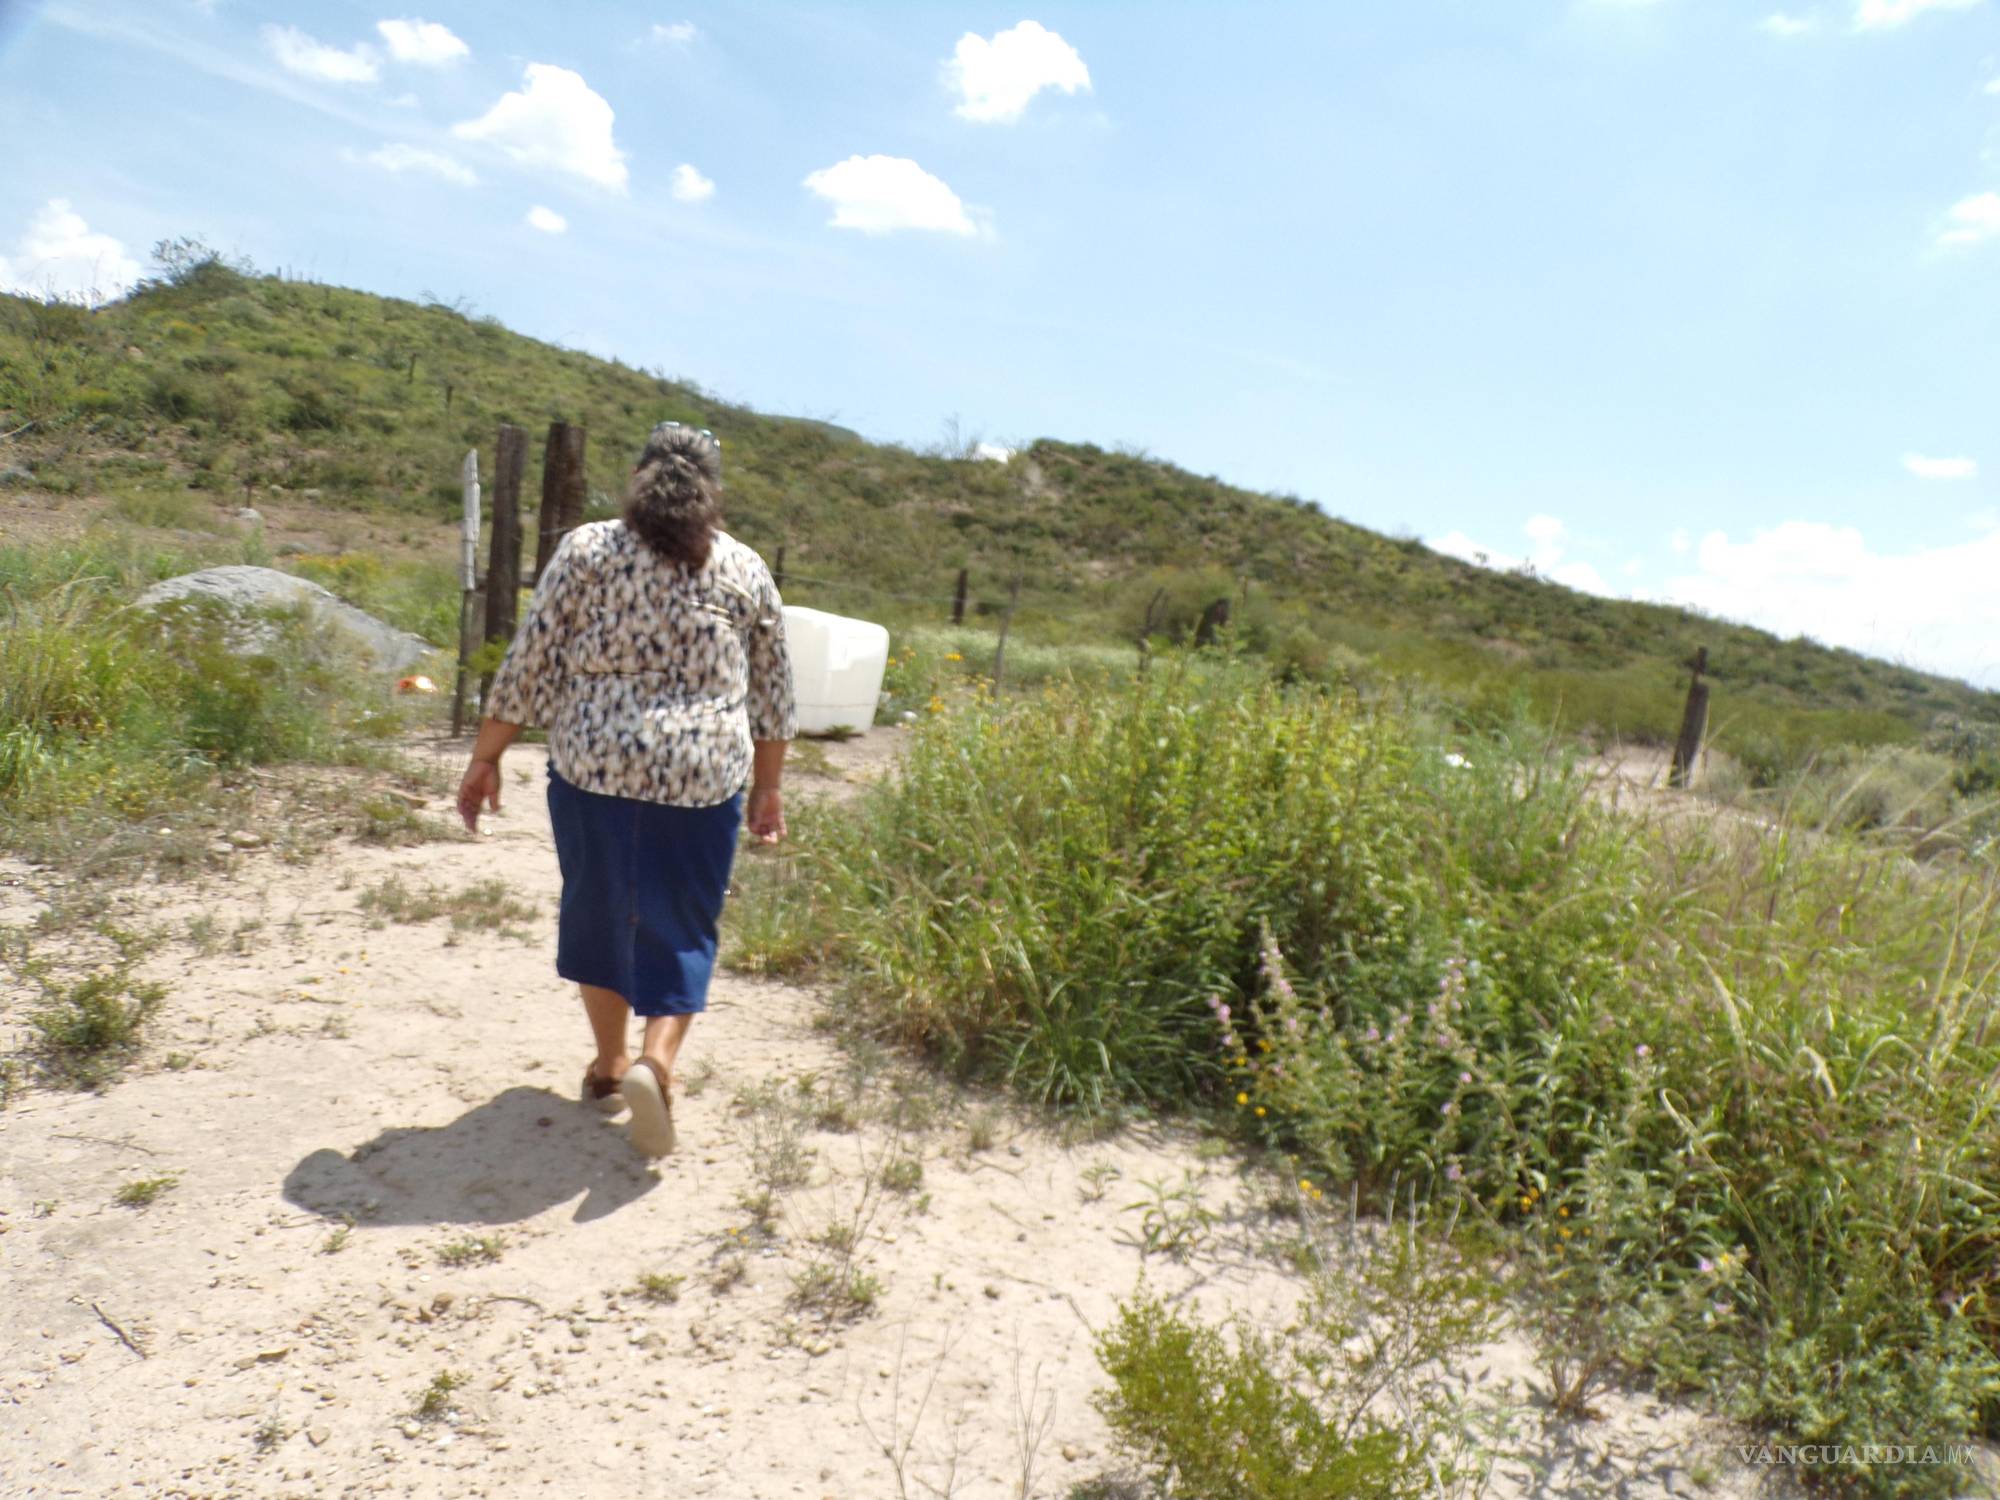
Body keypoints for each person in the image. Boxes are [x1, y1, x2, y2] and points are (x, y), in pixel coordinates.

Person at [456, 423, 794, 1157]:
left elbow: (531, 663)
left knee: (600, 908)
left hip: (595, 767)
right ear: (714, 490)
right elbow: (773, 696)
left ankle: (610, 1067)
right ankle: (656, 1063)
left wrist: (486, 758)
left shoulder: (587, 549)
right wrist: (768, 788)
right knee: (685, 921)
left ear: (638, 477)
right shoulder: (745, 567)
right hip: (703, 773)